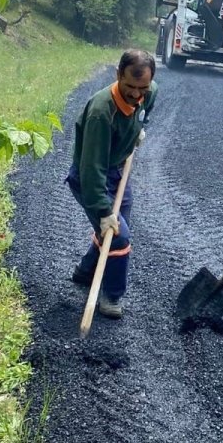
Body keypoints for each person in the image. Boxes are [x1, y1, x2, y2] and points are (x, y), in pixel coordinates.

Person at [66, 49, 157, 319]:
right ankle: (111, 297)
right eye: (130, 86)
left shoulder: (148, 92)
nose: (137, 94)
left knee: (115, 229)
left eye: (143, 87)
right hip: (90, 178)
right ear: (118, 75)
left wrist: (140, 127)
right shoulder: (100, 113)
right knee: (118, 235)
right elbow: (91, 169)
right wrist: (104, 211)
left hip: (118, 172)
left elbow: (146, 106)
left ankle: (85, 271)